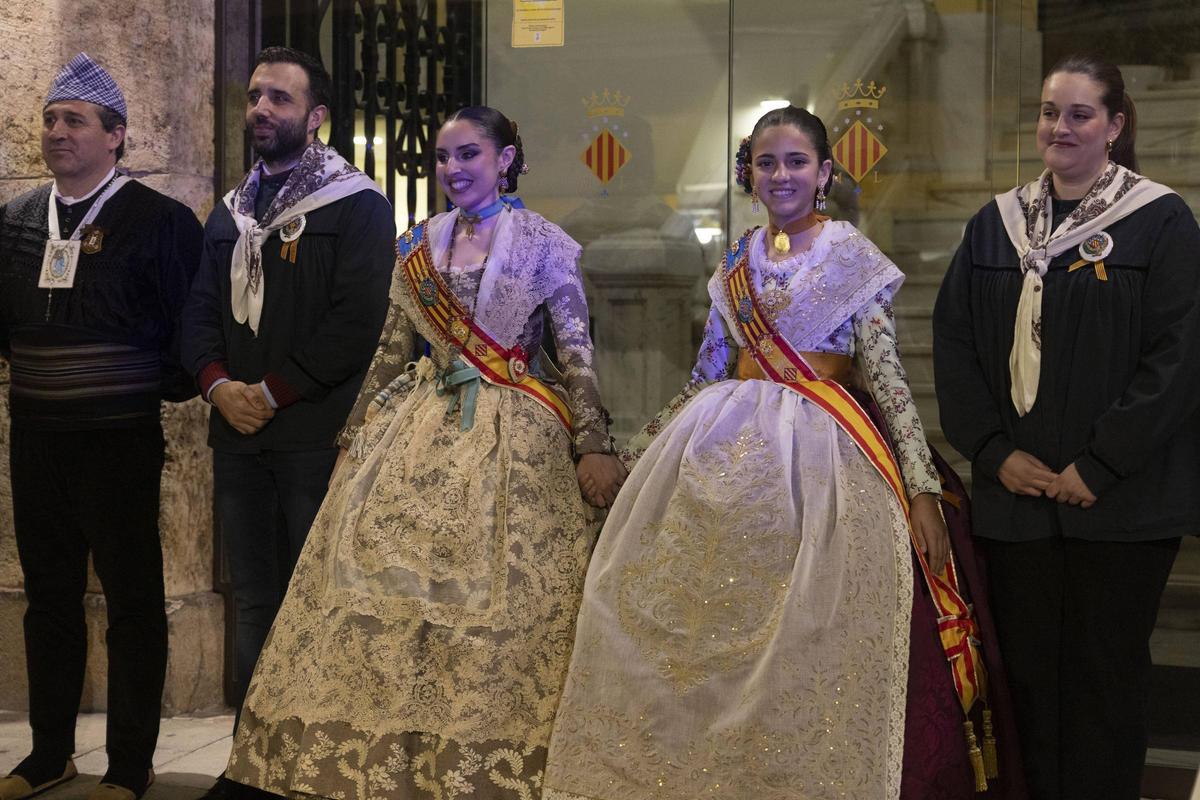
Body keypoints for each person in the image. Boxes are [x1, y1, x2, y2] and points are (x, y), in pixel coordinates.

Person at [543, 105, 1024, 800]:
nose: (782, 175)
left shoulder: (851, 256)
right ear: (751, 174)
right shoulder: (735, 262)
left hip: (825, 460)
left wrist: (920, 486)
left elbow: (887, 376)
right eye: (767, 163)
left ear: (825, 172)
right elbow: (706, 374)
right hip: (719, 449)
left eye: (797, 162)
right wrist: (638, 454)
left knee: (806, 634)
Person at [222, 105, 625, 799]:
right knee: (393, 597)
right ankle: (391, 758)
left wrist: (592, 444)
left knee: (500, 607)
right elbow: (385, 357)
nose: (454, 169)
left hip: (515, 434)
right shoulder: (417, 245)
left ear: (505, 159)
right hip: (415, 426)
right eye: (444, 157)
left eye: (469, 154)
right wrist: (352, 442)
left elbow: (577, 354)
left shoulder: (544, 244)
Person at [933, 54, 1200, 800]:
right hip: (1016, 503)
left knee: (1103, 680)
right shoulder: (996, 226)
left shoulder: (1162, 223)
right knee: (1026, 682)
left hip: (1120, 506)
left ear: (1115, 126)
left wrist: (1101, 464)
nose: (1061, 127)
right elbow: (953, 347)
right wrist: (992, 452)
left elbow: (1179, 358)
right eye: (1051, 112)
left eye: (1080, 114)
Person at [181, 46, 395, 799]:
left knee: (318, 604)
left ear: (317, 117)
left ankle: (315, 769)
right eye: (255, 96)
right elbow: (198, 313)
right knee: (252, 601)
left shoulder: (357, 204)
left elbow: (356, 323)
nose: (261, 110)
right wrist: (216, 386)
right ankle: (251, 766)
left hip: (312, 438)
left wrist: (269, 392)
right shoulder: (231, 211)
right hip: (237, 437)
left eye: (279, 98)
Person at [0, 53, 203, 800]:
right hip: (37, 436)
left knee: (132, 601)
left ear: (116, 136)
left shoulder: (161, 221)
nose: (57, 131)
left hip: (118, 438)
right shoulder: (17, 220)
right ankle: (49, 754)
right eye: (51, 119)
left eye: (74, 120)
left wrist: (125, 382)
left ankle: (128, 764)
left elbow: (186, 330)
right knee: (48, 597)